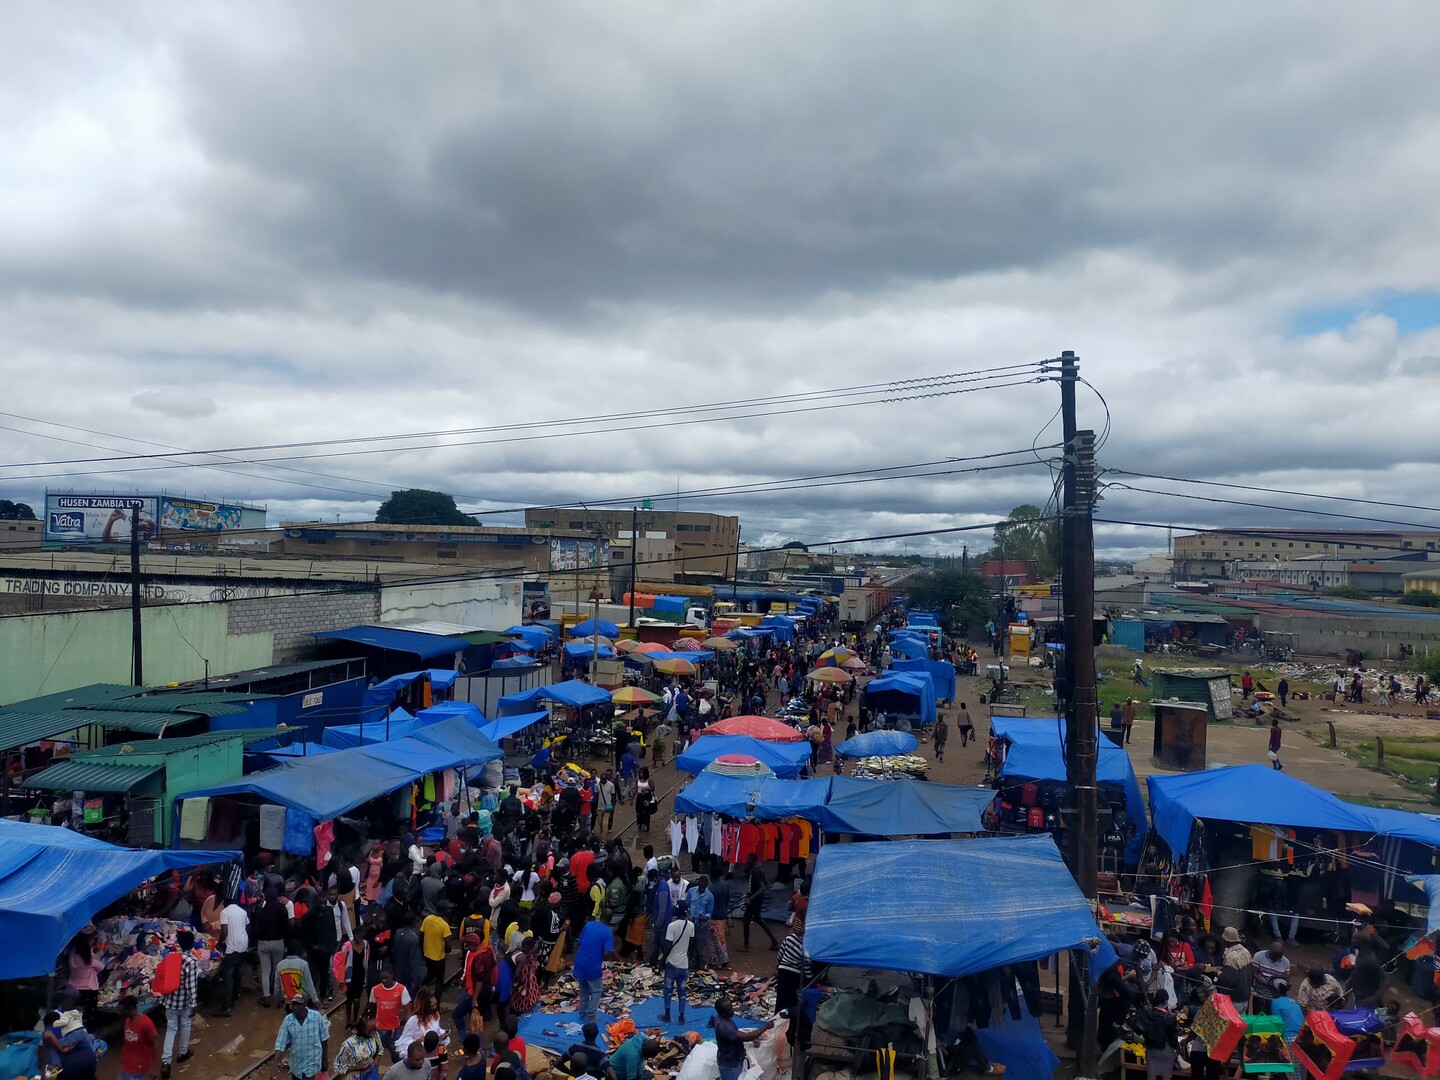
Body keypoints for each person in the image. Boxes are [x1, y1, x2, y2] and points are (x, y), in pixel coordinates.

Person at [158, 928, 199, 1079]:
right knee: (186, 1025)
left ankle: (166, 1061)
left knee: (171, 1029)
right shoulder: (191, 961)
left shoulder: (171, 956)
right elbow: (191, 985)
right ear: (192, 944)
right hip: (185, 1001)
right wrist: (194, 1003)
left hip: (170, 999)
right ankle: (183, 1052)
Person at [713, 997, 774, 1080]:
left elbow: (738, 1036)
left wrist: (753, 1038)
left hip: (733, 1057)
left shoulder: (723, 1018)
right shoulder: (725, 1027)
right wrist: (765, 1027)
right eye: (729, 1010)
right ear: (722, 1013)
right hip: (730, 1063)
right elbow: (746, 1037)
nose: (733, 1011)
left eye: (731, 1008)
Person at [275, 995, 331, 1080]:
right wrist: (274, 1068)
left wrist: (324, 1061)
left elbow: (324, 1039)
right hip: (296, 1066)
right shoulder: (288, 1021)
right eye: (293, 1004)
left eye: (298, 1004)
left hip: (312, 1065)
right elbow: (280, 1044)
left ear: (305, 1004)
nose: (295, 1007)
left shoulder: (316, 1017)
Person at [573, 918, 616, 1025]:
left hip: (580, 962)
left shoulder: (589, 925)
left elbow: (579, 943)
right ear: (610, 919)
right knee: (596, 990)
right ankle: (591, 1015)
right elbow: (607, 953)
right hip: (592, 965)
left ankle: (583, 1012)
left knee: (583, 988)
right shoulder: (607, 932)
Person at [660, 900, 695, 1024]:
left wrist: (662, 961)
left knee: (668, 991)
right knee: (682, 992)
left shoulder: (672, 926)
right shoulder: (691, 925)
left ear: (678, 910)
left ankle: (667, 1016)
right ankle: (681, 1017)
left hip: (671, 963)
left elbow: (668, 947)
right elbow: (691, 945)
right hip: (684, 964)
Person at [217, 892, 251, 1016]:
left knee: (228, 976)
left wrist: (219, 943)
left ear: (225, 902)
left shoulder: (224, 912)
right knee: (237, 973)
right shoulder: (242, 911)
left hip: (232, 947)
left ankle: (226, 1007)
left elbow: (224, 931)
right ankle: (235, 998)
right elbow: (246, 926)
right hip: (243, 945)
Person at [370, 967, 413, 1063]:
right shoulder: (375, 990)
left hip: (395, 1030)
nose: (384, 980)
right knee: (374, 1055)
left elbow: (408, 1010)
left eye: (386, 977)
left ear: (393, 975)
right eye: (382, 978)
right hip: (379, 1029)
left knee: (397, 1055)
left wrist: (406, 1027)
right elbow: (372, 1008)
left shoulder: (401, 989)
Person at [396, 986, 446, 1065]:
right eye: (431, 1006)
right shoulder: (413, 1020)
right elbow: (404, 1041)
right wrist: (418, 1041)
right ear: (424, 1007)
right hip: (421, 1059)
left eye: (435, 1005)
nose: (434, 1008)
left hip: (435, 1055)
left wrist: (442, 1035)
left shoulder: (435, 1016)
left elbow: (438, 1030)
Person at [1139, 989, 1179, 1080]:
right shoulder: (1170, 1017)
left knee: (1151, 1075)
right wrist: (1176, 1049)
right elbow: (1174, 1037)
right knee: (1166, 1075)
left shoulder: (1148, 1013)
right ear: (1166, 1001)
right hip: (1167, 1049)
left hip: (1152, 1049)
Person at [740, 854, 777, 951]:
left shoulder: (756, 872)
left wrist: (750, 898)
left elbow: (762, 888)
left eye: (748, 859)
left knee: (745, 920)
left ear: (752, 860)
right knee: (758, 919)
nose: (746, 861)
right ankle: (774, 940)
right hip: (758, 899)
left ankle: (746, 945)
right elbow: (766, 883)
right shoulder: (758, 869)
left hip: (754, 900)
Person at [67, 927, 105, 1023]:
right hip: (89, 990)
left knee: (74, 1015)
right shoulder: (89, 959)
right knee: (88, 1017)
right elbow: (102, 967)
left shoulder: (72, 955)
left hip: (73, 988)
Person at [118, 995, 159, 1080]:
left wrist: (152, 1067)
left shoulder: (146, 1023)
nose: (120, 1013)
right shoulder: (127, 1021)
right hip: (125, 1066)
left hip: (138, 1068)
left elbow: (155, 1043)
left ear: (129, 1009)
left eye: (122, 1011)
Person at [334, 1014, 386, 1080]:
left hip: (371, 1075)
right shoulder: (349, 1045)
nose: (373, 1033)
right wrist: (359, 1067)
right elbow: (337, 1067)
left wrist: (375, 1062)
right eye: (370, 1031)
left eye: (374, 1029)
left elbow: (381, 1049)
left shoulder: (374, 1035)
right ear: (362, 1030)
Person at [1251, 940, 1291, 1013]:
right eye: (1273, 956)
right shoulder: (1258, 956)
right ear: (1269, 950)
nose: (1275, 959)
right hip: (1260, 994)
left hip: (1275, 998)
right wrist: (1267, 983)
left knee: (1271, 1019)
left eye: (1278, 957)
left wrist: (1283, 985)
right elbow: (1253, 973)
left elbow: (1286, 979)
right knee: (1257, 1017)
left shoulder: (1286, 962)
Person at [421, 905, 453, 989]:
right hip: (439, 958)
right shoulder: (444, 925)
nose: (449, 911)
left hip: (427, 954)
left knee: (430, 974)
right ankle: (437, 999)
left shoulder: (428, 919)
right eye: (447, 909)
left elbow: (421, 935)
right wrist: (447, 950)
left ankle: (417, 987)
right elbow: (448, 944)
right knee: (439, 980)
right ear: (443, 911)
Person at [1269, 980, 1304, 1047]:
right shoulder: (1294, 1002)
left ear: (1275, 991)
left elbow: (1277, 1023)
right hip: (1300, 1037)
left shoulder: (1275, 1002)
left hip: (1288, 1037)